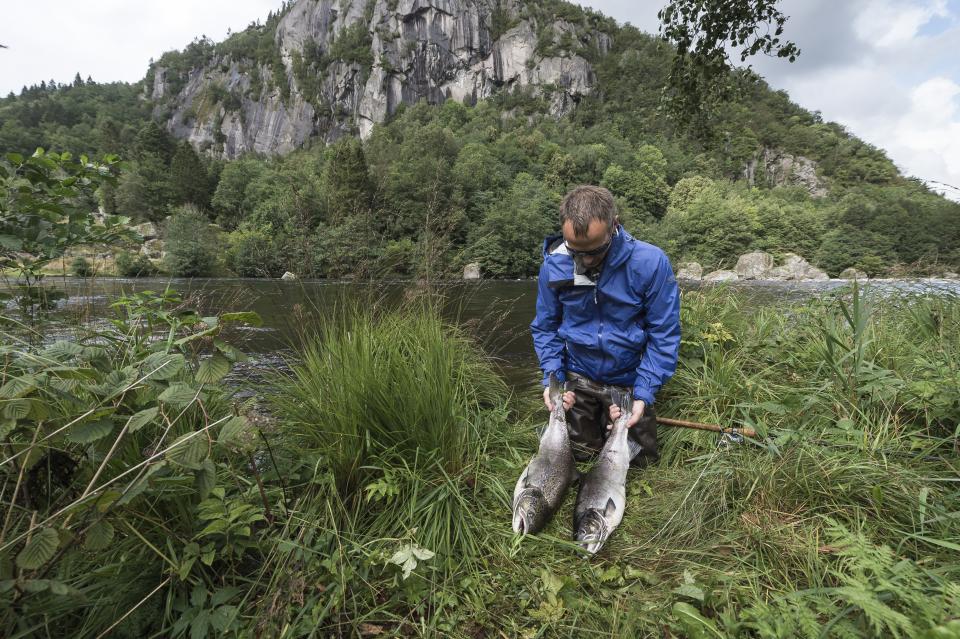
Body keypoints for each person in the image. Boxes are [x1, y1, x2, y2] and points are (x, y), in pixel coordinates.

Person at [530, 185, 681, 467]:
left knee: (640, 463)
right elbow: (545, 328)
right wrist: (554, 381)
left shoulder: (651, 263)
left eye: (595, 252)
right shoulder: (554, 266)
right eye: (576, 252)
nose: (585, 261)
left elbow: (664, 335)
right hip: (579, 374)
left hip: (630, 378)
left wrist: (643, 393)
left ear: (615, 226)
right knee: (580, 457)